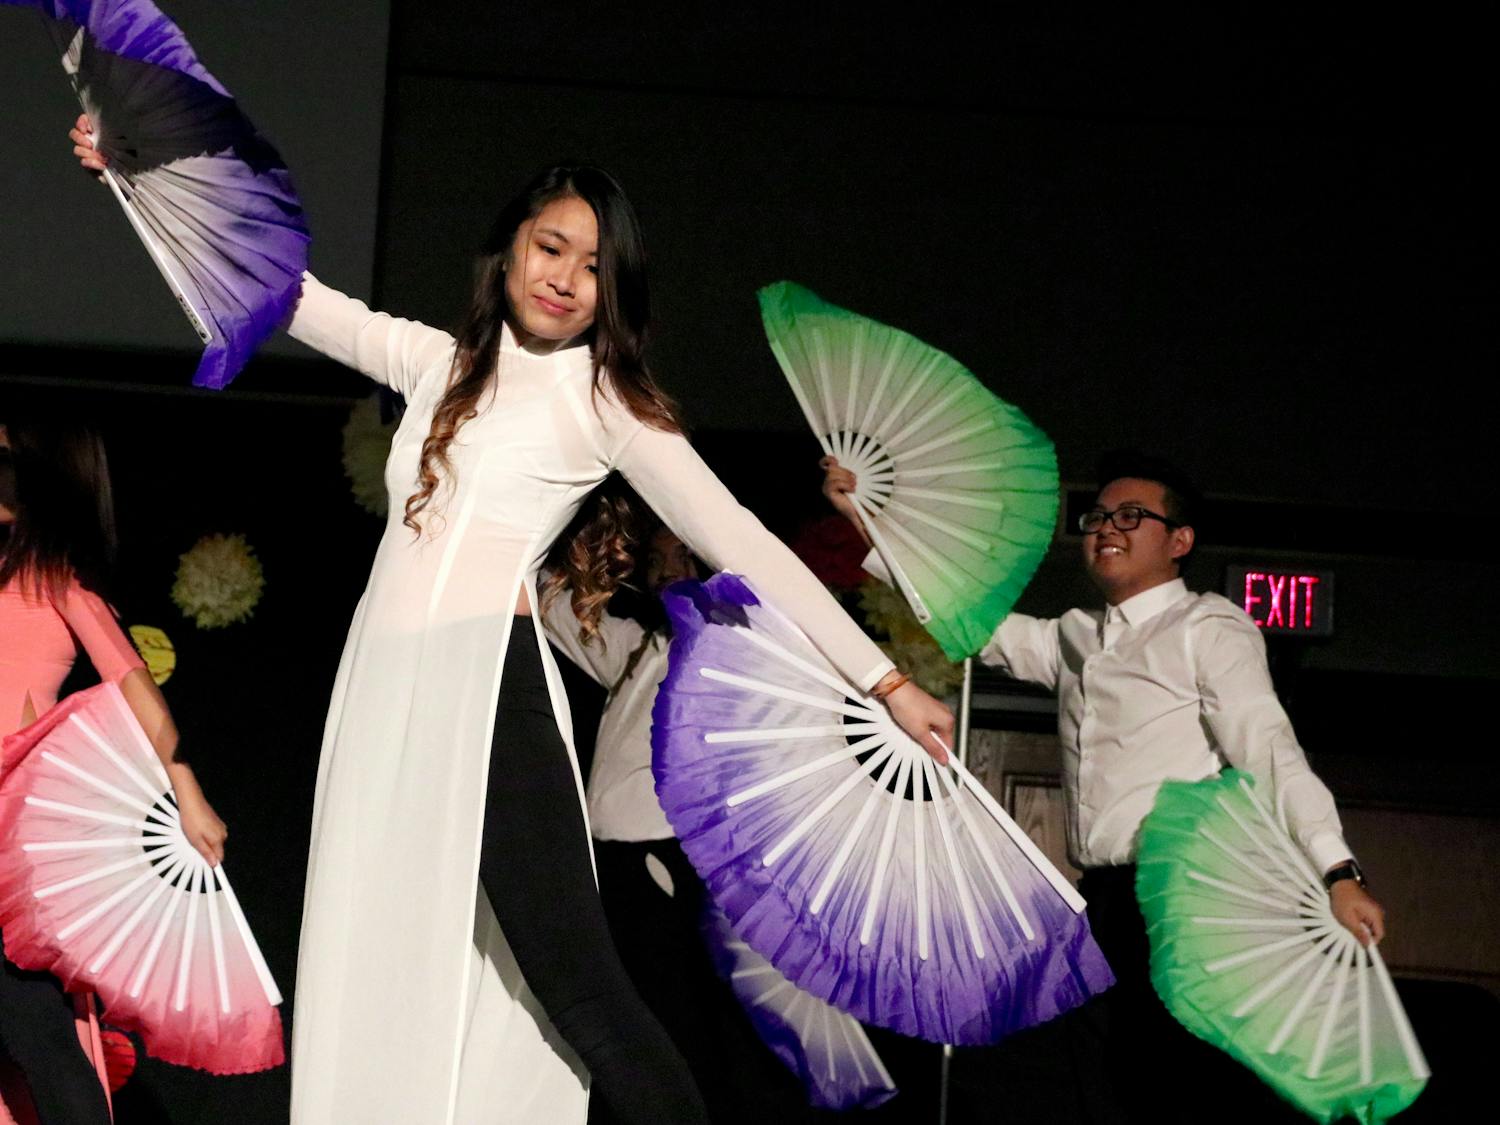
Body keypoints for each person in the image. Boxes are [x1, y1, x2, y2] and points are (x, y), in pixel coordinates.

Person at [73, 120, 953, 1124]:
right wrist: (141, 177)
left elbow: (740, 540)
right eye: (552, 248)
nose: (567, 279)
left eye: (595, 267)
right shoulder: (435, 365)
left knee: (575, 979)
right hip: (387, 692)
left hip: (488, 687)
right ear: (510, 251)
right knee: (384, 954)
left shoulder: (604, 403)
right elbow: (279, 288)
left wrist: (882, 678)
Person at [822, 449, 1385, 1123]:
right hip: (1109, 894)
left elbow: (1269, 750)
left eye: (1131, 516)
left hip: (1186, 888)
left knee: (1175, 1080)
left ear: (1179, 541)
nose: (1106, 528)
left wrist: (1337, 869)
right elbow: (971, 619)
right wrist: (869, 524)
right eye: (1097, 517)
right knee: (1098, 1077)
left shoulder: (1207, 626)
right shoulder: (1076, 635)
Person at [541, 510, 893, 1121]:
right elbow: (551, 606)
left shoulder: (739, 647)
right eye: (655, 560)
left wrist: (840, 519)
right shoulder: (638, 647)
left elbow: (803, 611)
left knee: (685, 1018)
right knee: (628, 1016)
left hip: (672, 856)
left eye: (679, 556)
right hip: (612, 861)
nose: (665, 571)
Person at [0, 412, 227, 1125]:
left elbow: (134, 684)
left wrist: (187, 791)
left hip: (12, 834)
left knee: (35, 1028)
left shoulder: (56, 582)